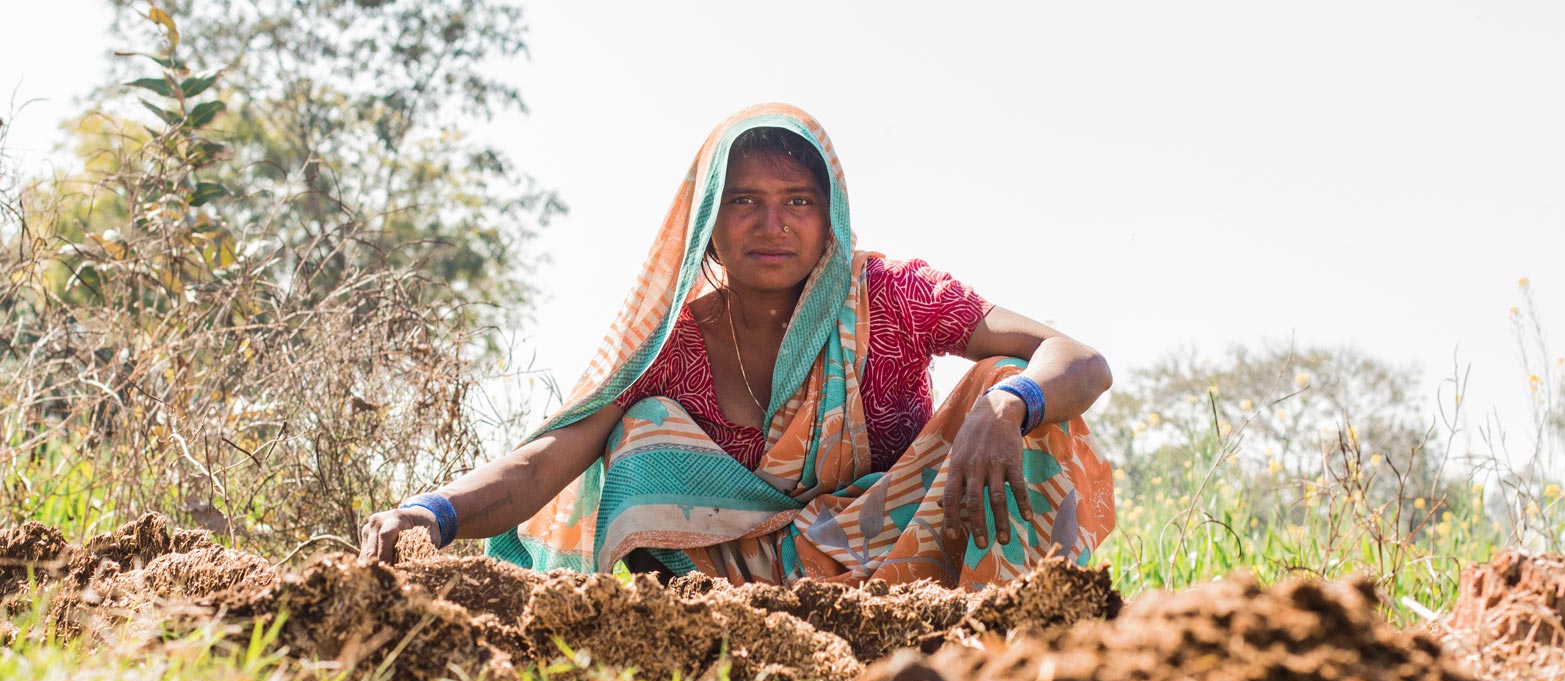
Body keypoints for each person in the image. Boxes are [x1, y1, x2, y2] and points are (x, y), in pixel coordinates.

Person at [359, 104, 1115, 588]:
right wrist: (431, 513)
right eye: (745, 201)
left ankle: (1012, 630)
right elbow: (549, 456)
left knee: (1010, 377)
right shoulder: (670, 341)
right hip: (739, 588)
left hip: (906, 559)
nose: (772, 225)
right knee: (639, 429)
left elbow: (1079, 358)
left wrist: (1011, 401)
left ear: (831, 217)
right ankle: (712, 638)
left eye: (797, 203)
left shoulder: (892, 296)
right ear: (708, 224)